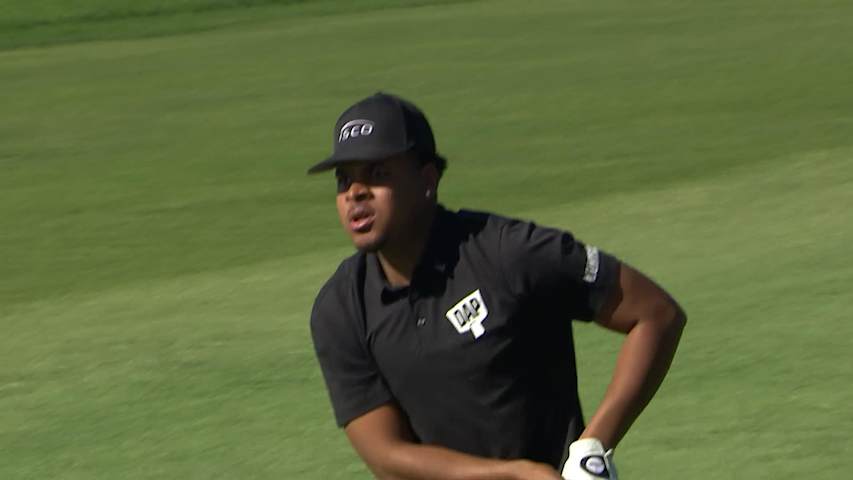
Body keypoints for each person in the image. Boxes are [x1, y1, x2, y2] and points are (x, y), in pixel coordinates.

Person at [308, 92, 686, 480]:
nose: (355, 193)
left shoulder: (510, 252)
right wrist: (513, 474)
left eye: (377, 174)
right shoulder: (340, 308)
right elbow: (386, 456)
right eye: (344, 180)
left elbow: (655, 314)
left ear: (427, 179)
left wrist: (591, 448)